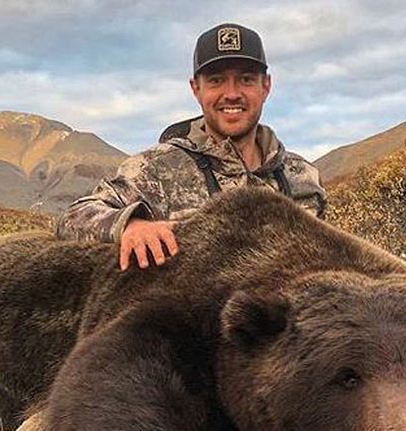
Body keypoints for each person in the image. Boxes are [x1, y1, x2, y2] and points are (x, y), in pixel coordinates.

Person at [55, 23, 326, 270]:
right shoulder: (156, 170)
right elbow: (72, 217)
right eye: (216, 80)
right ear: (196, 88)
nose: (232, 93)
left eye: (246, 79)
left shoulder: (302, 177)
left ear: (265, 86)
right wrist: (130, 225)